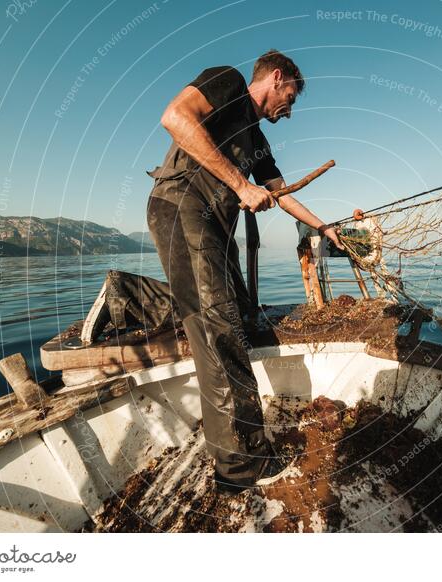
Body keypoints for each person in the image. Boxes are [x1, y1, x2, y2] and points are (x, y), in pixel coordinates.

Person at [145, 49, 344, 493]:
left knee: (235, 308)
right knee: (218, 327)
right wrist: (239, 184)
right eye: (290, 97)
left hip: (212, 226)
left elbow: (281, 192)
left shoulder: (259, 142)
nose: (289, 110)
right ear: (277, 78)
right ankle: (241, 468)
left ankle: (130, 295)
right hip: (181, 209)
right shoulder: (228, 82)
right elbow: (175, 117)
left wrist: (324, 227)